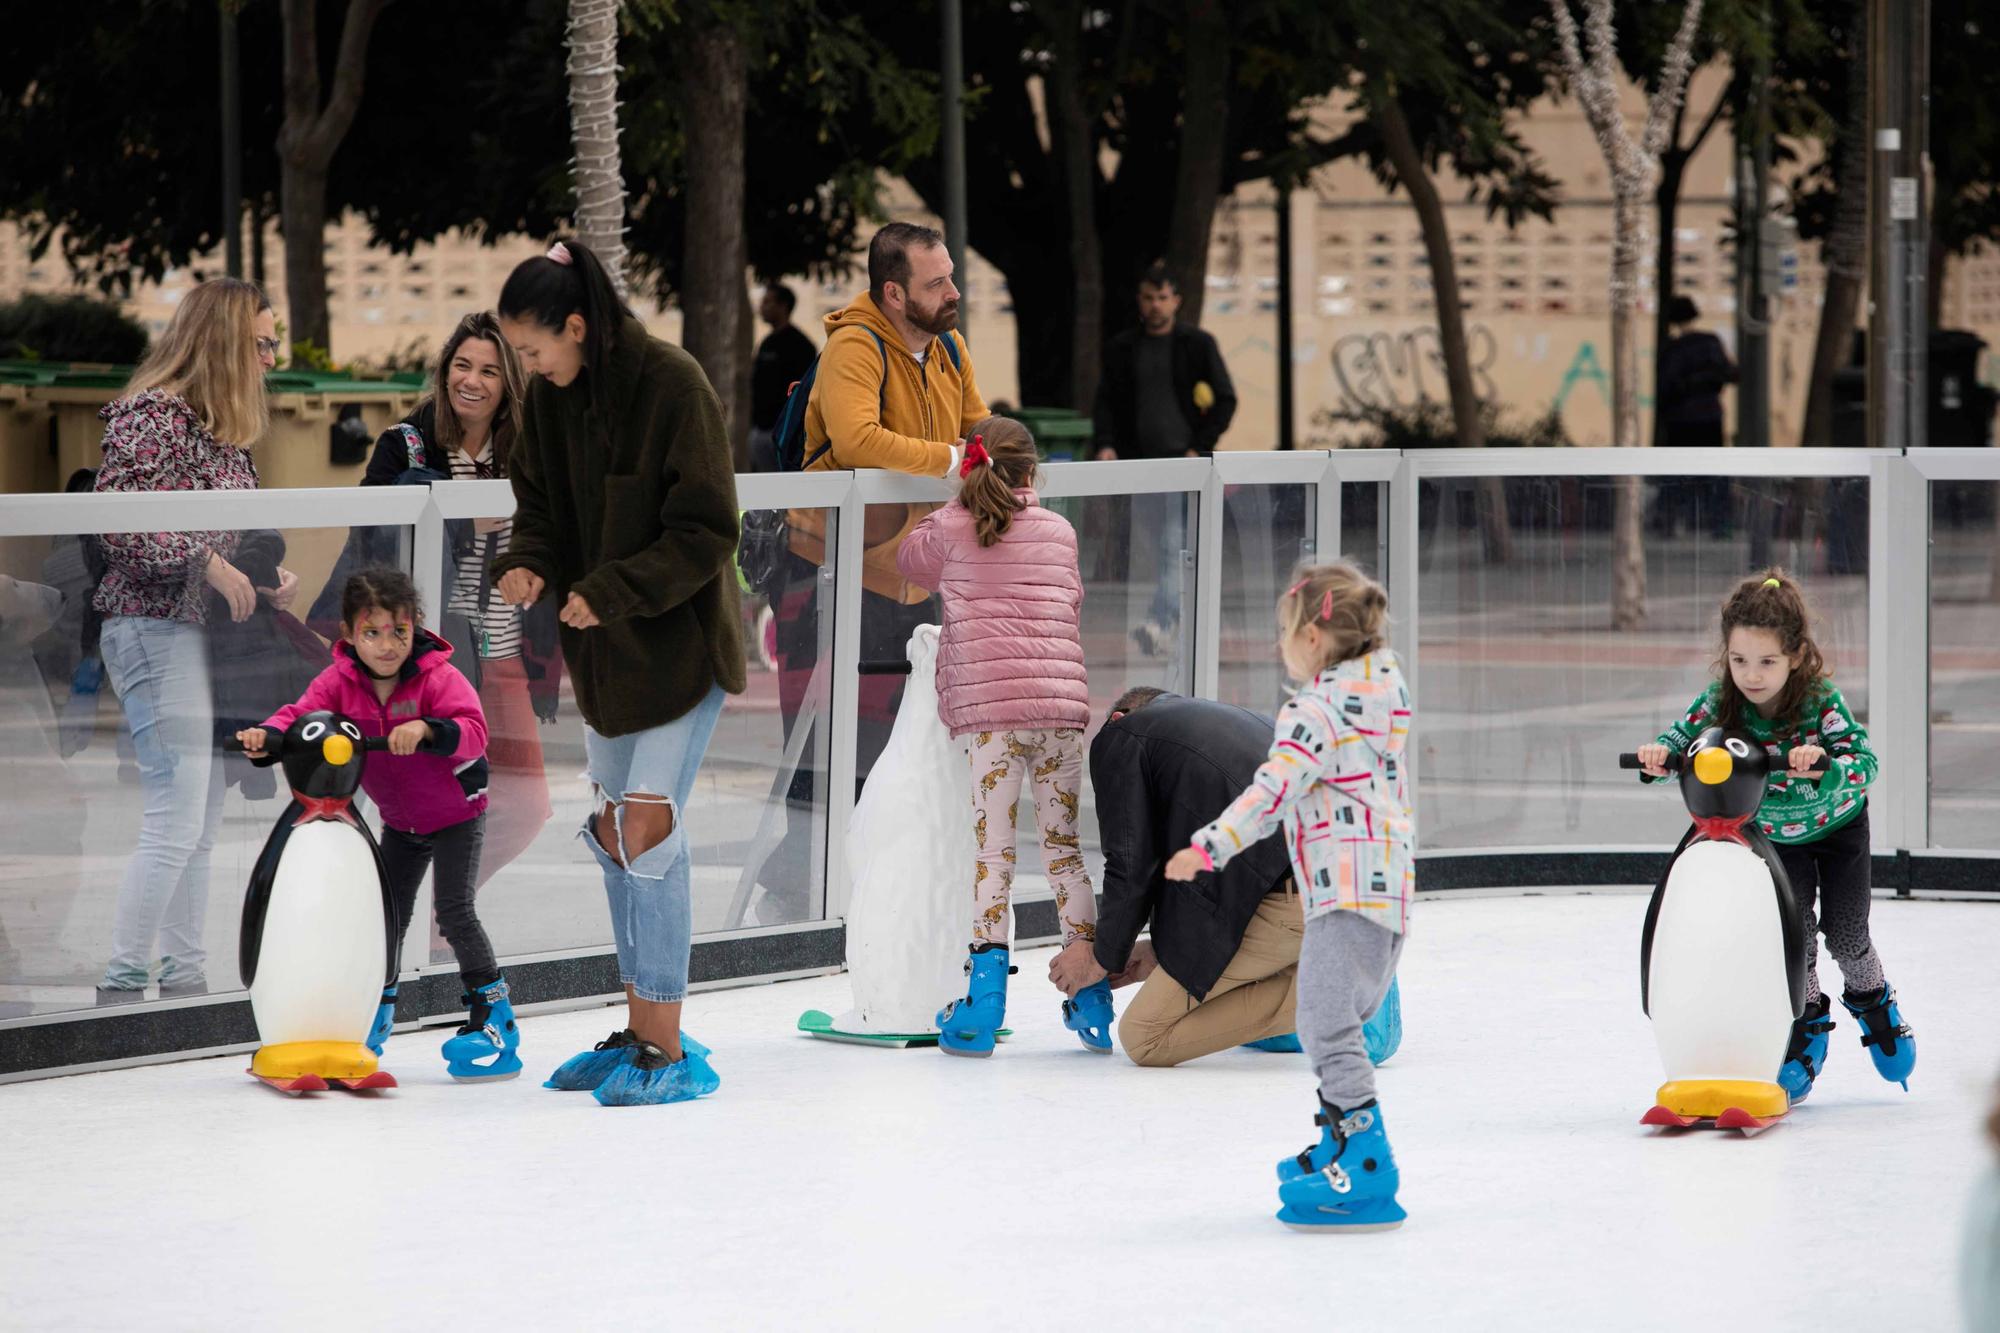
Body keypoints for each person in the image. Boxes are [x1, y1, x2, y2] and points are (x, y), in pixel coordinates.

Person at [493, 239, 746, 1108]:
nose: (527, 369)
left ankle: (666, 1040)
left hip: (679, 653)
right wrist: (528, 563)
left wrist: (612, 588)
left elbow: (710, 528)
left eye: (532, 352)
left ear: (576, 325)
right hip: (603, 660)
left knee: (647, 829)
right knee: (611, 834)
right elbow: (537, 505)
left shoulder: (673, 384)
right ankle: (640, 1028)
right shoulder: (554, 404)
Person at [1165, 562, 1413, 1232]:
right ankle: (1341, 1136)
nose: (1279, 645)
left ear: (1311, 636)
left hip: (1344, 890)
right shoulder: (1383, 686)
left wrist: (1208, 845)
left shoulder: (1315, 711)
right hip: (1391, 889)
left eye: (1282, 632)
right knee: (1331, 1019)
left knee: (1326, 1025)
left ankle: (1365, 1158)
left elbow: (1271, 792)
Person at [761, 222, 988, 921]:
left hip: (917, 573)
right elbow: (858, 440)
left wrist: (995, 457)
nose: (953, 291)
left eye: (950, 275)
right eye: (936, 282)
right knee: (826, 741)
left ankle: (881, 889)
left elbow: (979, 428)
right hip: (831, 572)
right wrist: (952, 461)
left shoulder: (948, 347)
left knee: (910, 737)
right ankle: (799, 893)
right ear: (894, 293)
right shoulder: (853, 347)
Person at [1635, 570, 1915, 1103]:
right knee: (1798, 943)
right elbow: (1680, 739)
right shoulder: (1721, 702)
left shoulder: (1819, 702)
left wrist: (1827, 765)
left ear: (1794, 656)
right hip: (1776, 839)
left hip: (1838, 831)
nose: (1751, 675)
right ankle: (1808, 1027)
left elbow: (1865, 760)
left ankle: (1875, 999)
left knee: (1847, 936)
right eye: (1739, 661)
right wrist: (1656, 756)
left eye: (1766, 662)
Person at [238, 568, 517, 1081]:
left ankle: (493, 1015)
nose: (387, 646)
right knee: (384, 918)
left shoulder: (438, 677)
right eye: (372, 633)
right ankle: (373, 1013)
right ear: (348, 634)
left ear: (415, 630)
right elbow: (302, 717)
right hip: (401, 821)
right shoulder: (338, 682)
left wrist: (429, 728)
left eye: (399, 632)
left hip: (457, 812)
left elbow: (475, 730)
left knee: (454, 911)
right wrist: (266, 734)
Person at [90, 277, 283, 1000]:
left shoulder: (219, 430)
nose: (270, 359)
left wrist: (260, 575)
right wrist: (206, 559)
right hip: (151, 625)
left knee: (199, 820)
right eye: (260, 342)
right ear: (225, 342)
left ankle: (183, 980)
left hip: (197, 634)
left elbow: (227, 534)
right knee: (177, 813)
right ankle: (122, 981)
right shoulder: (151, 415)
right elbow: (120, 525)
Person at [894, 418, 1108, 1056]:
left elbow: (909, 560)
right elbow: (1068, 604)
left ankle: (983, 1003)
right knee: (1065, 853)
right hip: (1059, 713)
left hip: (992, 719)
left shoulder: (952, 530)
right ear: (1031, 473)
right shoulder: (1060, 532)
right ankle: (1090, 995)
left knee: (994, 858)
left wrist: (953, 499)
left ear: (971, 466)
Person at [338, 312, 561, 889]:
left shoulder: (530, 451)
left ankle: (443, 915)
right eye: (462, 365)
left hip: (507, 657)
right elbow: (370, 534)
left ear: (509, 382)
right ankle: (421, 938)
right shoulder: (406, 445)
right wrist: (457, 516)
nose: (473, 381)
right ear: (444, 373)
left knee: (526, 807)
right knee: (425, 809)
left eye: (489, 370)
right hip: (432, 661)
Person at [1057, 686, 1304, 1066]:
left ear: (1119, 717)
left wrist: (1098, 959)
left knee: (1144, 1036)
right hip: (1342, 888)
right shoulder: (1232, 724)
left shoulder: (1124, 734)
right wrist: (1158, 952)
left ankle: (1332, 993)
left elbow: (1131, 866)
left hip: (1295, 905)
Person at [1091, 264, 1238, 657]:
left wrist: (1199, 446)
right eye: (1148, 298)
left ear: (1176, 300)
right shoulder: (1122, 347)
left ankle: (1158, 623)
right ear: (1140, 301)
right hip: (1140, 468)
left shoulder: (1197, 344)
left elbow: (1226, 398)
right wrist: (1106, 444)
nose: (1155, 306)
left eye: (1162, 297)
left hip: (1185, 466)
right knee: (1165, 550)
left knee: (1174, 545)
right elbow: (1106, 402)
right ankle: (1187, 621)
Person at [1652, 295, 1739, 538]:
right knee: (1715, 472)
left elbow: (1666, 388)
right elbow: (1731, 373)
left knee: (1677, 472)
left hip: (1680, 420)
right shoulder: (1710, 342)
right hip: (1710, 416)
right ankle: (1720, 524)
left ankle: (1671, 523)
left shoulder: (1672, 349)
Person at [748, 284, 817, 472]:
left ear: (783, 306)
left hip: (784, 434)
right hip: (760, 430)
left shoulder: (801, 346)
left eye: (767, 302)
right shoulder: (766, 343)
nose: (762, 307)